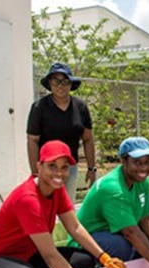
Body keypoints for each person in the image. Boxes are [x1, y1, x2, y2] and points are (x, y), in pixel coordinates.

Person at [69, 137, 149, 268]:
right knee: (125, 248)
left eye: (147, 162)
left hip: (116, 231)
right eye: (137, 162)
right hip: (88, 238)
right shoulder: (112, 188)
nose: (143, 168)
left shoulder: (141, 181)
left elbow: (145, 217)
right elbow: (131, 232)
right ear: (124, 161)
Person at [27, 62, 97, 203]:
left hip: (69, 167)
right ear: (50, 84)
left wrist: (91, 168)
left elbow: (88, 139)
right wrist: (36, 171)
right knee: (45, 205)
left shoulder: (80, 107)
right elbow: (32, 140)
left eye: (65, 81)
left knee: (66, 205)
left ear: (71, 84)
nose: (60, 86)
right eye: (56, 81)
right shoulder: (39, 107)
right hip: (47, 167)